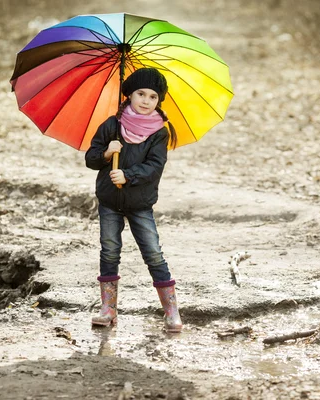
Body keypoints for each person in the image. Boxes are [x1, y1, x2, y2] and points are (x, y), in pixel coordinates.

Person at [85, 68, 182, 333]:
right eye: (141, 93)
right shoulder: (112, 125)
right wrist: (107, 153)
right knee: (109, 249)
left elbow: (154, 166)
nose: (146, 100)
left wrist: (127, 175)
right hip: (109, 201)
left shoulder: (159, 132)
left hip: (140, 203)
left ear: (158, 101)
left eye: (153, 96)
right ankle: (108, 309)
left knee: (152, 251)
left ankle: (171, 310)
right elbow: (90, 159)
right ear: (129, 95)